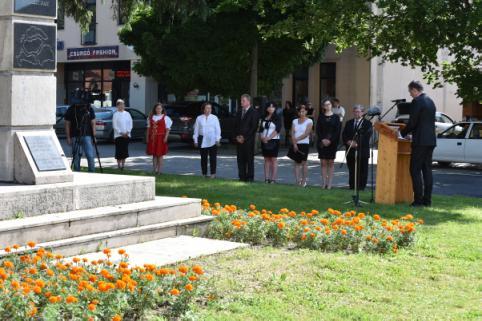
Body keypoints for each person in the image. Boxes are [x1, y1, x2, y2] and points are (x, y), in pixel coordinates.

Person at [400, 81, 436, 207]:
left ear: (415, 90)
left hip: (420, 141)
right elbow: (423, 122)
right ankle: (427, 201)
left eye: (410, 91)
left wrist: (402, 133)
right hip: (430, 140)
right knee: (427, 170)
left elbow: (413, 122)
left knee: (414, 169)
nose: (410, 94)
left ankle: (418, 201)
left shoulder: (417, 101)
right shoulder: (430, 101)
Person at [342, 105, 373, 190]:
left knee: (362, 170)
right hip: (350, 150)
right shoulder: (349, 123)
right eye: (355, 112)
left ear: (362, 113)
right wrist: (348, 142)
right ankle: (352, 186)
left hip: (362, 151)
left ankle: (361, 187)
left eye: (359, 112)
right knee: (352, 169)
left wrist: (357, 143)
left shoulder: (368, 123)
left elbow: (367, 136)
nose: (357, 113)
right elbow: (344, 135)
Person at [316, 98, 341, 189]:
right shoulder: (320, 116)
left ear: (331, 105)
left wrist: (330, 140)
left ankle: (330, 184)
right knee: (323, 163)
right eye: (325, 105)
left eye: (329, 104)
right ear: (323, 106)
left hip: (332, 143)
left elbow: (337, 131)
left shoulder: (336, 117)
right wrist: (323, 139)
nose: (327, 106)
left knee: (330, 163)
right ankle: (323, 183)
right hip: (322, 142)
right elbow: (318, 130)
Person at [234, 94, 259, 182]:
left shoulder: (254, 112)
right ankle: (242, 177)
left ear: (248, 101)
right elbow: (235, 125)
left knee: (249, 160)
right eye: (241, 100)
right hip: (239, 140)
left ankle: (250, 178)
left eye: (243, 101)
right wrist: (237, 136)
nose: (241, 102)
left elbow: (253, 127)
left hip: (248, 141)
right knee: (240, 159)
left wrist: (244, 138)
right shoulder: (239, 111)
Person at [64, 102, 96, 172]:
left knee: (90, 155)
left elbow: (93, 122)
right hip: (74, 135)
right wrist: (68, 137)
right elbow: (67, 124)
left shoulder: (89, 108)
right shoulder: (71, 109)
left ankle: (92, 172)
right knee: (76, 156)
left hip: (87, 135)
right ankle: (77, 172)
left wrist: (94, 136)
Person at [193, 102, 221, 178]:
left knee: (213, 158)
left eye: (210, 108)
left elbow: (218, 130)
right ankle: (204, 173)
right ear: (204, 109)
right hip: (202, 139)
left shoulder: (214, 118)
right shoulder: (199, 118)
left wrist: (217, 139)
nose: (209, 110)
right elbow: (196, 130)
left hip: (212, 139)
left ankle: (213, 174)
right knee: (203, 158)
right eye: (207, 108)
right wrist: (195, 140)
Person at [258, 101, 282, 183]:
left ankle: (273, 179)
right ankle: (266, 178)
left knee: (273, 159)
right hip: (264, 140)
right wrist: (262, 137)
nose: (271, 108)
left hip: (274, 140)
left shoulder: (277, 117)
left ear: (275, 108)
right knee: (266, 159)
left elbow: (277, 130)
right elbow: (260, 129)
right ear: (267, 108)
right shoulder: (263, 117)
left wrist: (268, 138)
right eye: (269, 106)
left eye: (273, 107)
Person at [146, 102, 172, 175]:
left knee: (160, 155)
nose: (158, 110)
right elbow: (148, 129)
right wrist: (147, 137)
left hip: (161, 138)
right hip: (153, 138)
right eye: (157, 108)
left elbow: (167, 129)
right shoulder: (150, 117)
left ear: (162, 109)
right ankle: (154, 170)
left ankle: (159, 171)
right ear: (155, 109)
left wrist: (166, 137)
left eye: (160, 108)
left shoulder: (166, 118)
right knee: (154, 155)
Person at [291, 105, 313, 186]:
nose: (301, 113)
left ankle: (304, 181)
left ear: (306, 112)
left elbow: (306, 133)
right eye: (300, 111)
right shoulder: (294, 121)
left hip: (304, 144)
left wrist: (296, 140)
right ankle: (297, 181)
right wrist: (294, 143)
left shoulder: (309, 121)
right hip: (295, 144)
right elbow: (292, 132)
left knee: (304, 163)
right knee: (296, 163)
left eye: (303, 111)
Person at [112, 99, 133, 171]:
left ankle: (123, 165)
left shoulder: (127, 114)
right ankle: (118, 165)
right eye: (120, 105)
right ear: (117, 106)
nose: (122, 106)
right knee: (119, 150)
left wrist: (128, 132)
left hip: (126, 135)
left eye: (123, 104)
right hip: (118, 136)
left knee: (124, 150)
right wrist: (121, 133)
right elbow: (115, 125)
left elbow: (130, 123)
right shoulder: (115, 114)